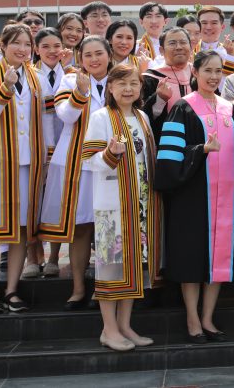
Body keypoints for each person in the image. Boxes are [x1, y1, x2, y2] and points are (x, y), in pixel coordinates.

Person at [155, 51, 234, 342]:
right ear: (195, 72)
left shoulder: (230, 109)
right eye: (208, 70)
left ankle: (208, 317)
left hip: (227, 198)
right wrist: (200, 151)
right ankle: (193, 319)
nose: (214, 76)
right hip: (193, 197)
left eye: (219, 71)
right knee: (192, 257)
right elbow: (170, 157)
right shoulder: (183, 107)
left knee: (220, 257)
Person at [83, 63, 163, 351]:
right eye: (122, 84)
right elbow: (88, 160)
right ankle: (109, 329)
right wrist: (109, 153)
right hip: (113, 205)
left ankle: (125, 325)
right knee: (111, 267)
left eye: (134, 84)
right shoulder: (101, 117)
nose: (128, 89)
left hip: (140, 203)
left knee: (133, 266)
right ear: (111, 88)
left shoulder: (142, 117)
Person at [0, 24, 45, 315]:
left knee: (22, 228)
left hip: (28, 162)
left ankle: (12, 289)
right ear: (2, 45)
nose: (22, 49)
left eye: (27, 44)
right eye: (16, 43)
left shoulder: (37, 77)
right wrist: (4, 89)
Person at [37, 35, 112, 309]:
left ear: (108, 55)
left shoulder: (119, 80)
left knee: (107, 227)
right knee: (80, 228)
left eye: (98, 53)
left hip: (111, 163)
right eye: (87, 55)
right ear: (80, 58)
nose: (93, 59)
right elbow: (66, 116)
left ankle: (104, 287)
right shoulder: (70, 80)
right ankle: (78, 287)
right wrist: (80, 93)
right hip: (76, 163)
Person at [33, 27, 66, 279]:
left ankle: (54, 257)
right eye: (45, 46)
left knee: (57, 202)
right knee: (33, 203)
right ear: (36, 49)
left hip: (65, 148)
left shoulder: (73, 74)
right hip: (35, 148)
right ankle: (33, 258)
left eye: (56, 46)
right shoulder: (28, 75)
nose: (52, 51)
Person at [140, 27, 193, 138]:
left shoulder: (199, 75)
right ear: (161, 50)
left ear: (191, 47)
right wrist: (159, 99)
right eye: (172, 43)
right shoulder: (151, 78)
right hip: (166, 140)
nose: (179, 47)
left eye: (183, 42)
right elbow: (143, 117)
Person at [194, 6, 234, 71]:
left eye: (214, 23)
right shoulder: (191, 50)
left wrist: (229, 56)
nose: (208, 27)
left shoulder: (231, 51)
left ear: (222, 27)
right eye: (204, 23)